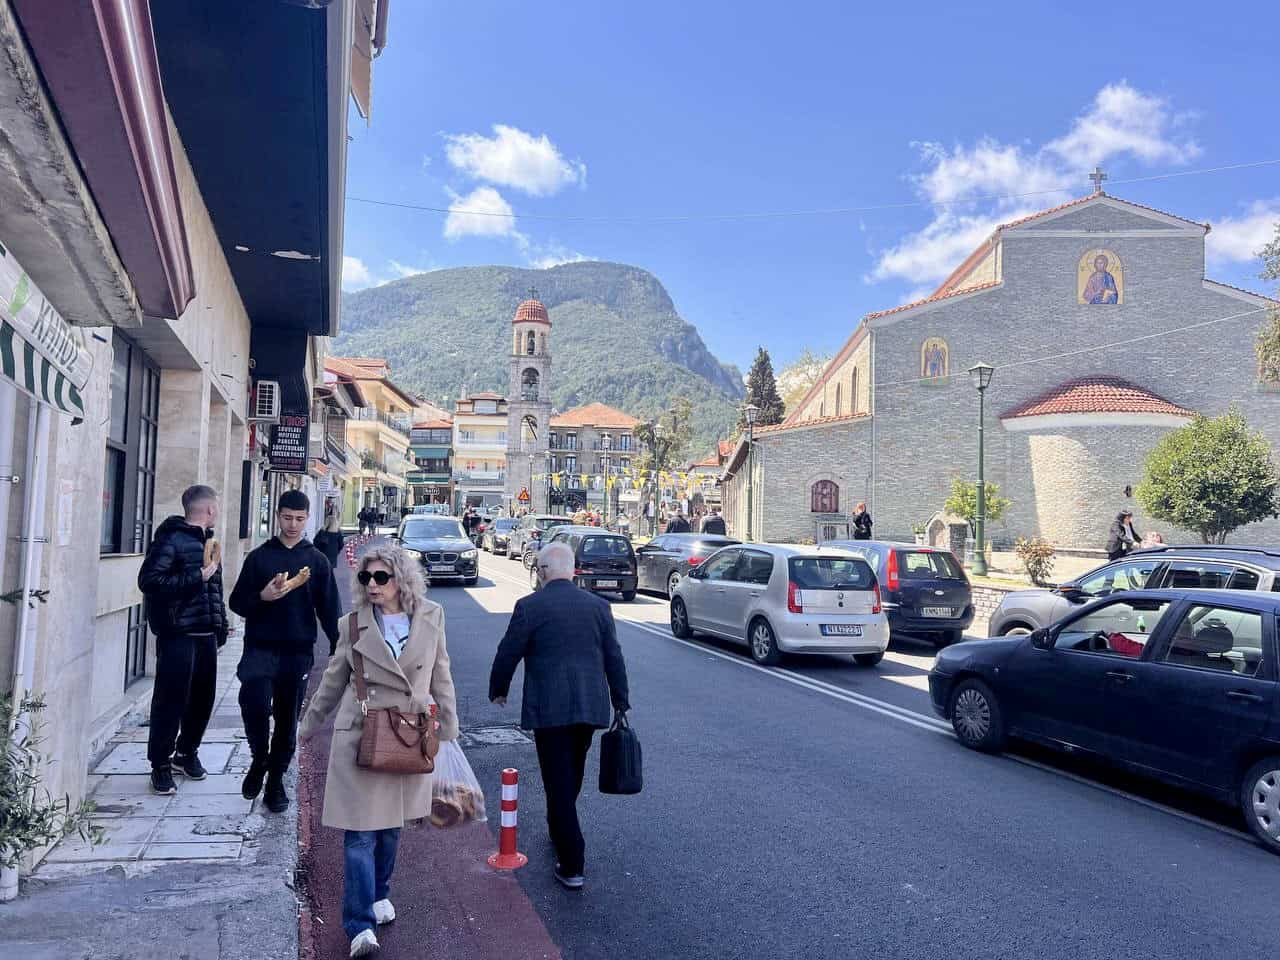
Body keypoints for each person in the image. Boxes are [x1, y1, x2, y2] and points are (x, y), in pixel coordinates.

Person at [299, 544, 457, 959]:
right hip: (361, 735)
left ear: (400, 579)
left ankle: (379, 894)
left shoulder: (431, 616)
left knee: (389, 828)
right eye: (366, 577)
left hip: (408, 734)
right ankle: (358, 925)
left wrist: (451, 728)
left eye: (381, 577)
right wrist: (309, 725)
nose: (372, 584)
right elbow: (333, 680)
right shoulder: (351, 626)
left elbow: (441, 673)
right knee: (359, 834)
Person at [489, 542, 630, 891]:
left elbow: (509, 651)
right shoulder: (598, 607)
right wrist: (621, 701)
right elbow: (614, 656)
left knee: (558, 782)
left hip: (549, 710)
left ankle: (572, 861)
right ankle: (559, 826)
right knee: (572, 774)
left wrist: (499, 688)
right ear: (573, 570)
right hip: (589, 708)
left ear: (544, 571)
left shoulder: (529, 606)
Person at [230, 490, 340, 813]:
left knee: (286, 719)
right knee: (253, 704)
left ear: (307, 519)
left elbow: (330, 609)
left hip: (297, 651)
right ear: (277, 516)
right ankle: (259, 759)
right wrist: (262, 597)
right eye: (287, 517)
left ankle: (275, 781)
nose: (293, 525)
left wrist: (338, 646)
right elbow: (237, 603)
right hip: (260, 648)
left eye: (299, 519)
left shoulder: (316, 561)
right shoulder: (259, 557)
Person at [138, 485, 228, 796]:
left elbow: (215, 588)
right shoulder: (171, 540)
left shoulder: (210, 542)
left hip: (205, 634)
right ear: (209, 510)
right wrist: (196, 577)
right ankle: (159, 765)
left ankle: (187, 752)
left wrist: (221, 624)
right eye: (215, 507)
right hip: (178, 634)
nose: (217, 511)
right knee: (170, 701)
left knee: (202, 701)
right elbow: (149, 581)